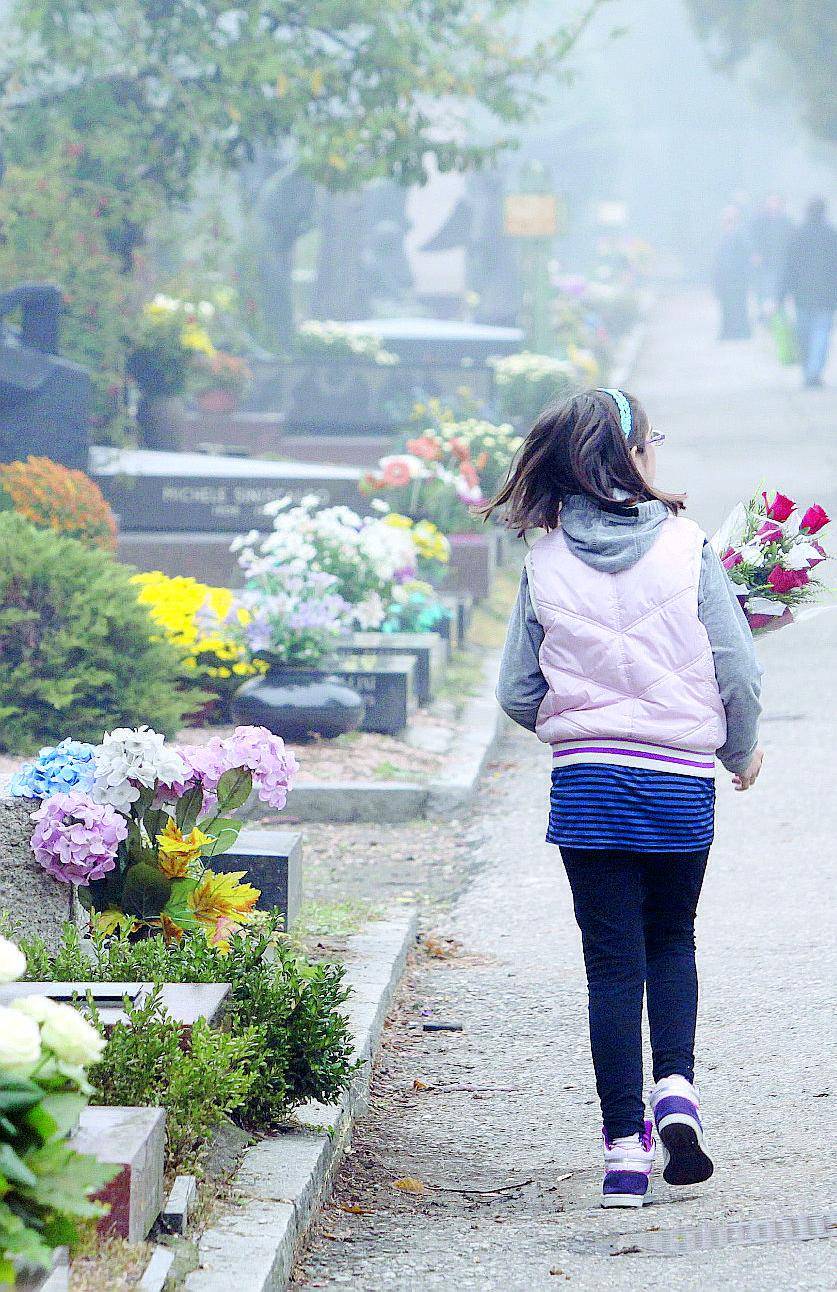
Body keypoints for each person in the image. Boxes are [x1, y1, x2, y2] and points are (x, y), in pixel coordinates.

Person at [488, 388, 763, 1208]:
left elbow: (515, 689)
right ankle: (674, 1092)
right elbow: (736, 671)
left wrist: (578, 729)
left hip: (588, 787)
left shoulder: (543, 559)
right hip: (678, 783)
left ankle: (621, 1154)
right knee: (671, 939)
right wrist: (736, 750)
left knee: (610, 966)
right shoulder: (687, 547)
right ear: (632, 455)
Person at [780, 198, 837, 387]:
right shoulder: (831, 236)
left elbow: (788, 268)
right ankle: (814, 371)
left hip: (802, 296)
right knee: (821, 333)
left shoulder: (798, 235)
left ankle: (808, 371)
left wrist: (780, 295)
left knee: (803, 334)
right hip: (827, 296)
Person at [749, 194, 792, 318]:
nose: (773, 205)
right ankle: (764, 316)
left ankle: (778, 316)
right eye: (771, 202)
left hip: (782, 263)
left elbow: (792, 240)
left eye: (776, 202)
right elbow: (751, 240)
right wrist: (755, 253)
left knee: (779, 291)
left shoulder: (787, 222)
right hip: (764, 264)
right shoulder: (758, 222)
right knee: (763, 290)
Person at [712, 206, 752, 339]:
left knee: (738, 305)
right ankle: (728, 331)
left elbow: (747, 255)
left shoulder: (741, 234)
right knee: (726, 305)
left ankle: (741, 332)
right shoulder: (723, 235)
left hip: (737, 277)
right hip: (724, 277)